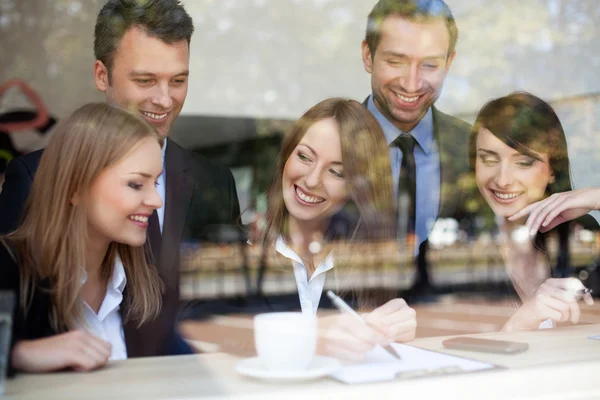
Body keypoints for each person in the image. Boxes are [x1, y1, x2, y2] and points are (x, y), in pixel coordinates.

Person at [0, 0, 241, 357]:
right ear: (102, 75)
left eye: (178, 80)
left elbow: (224, 306)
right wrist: (17, 356)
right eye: (145, 80)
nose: (164, 99)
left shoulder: (215, 181)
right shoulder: (32, 180)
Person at [0, 103, 168, 374]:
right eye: (136, 184)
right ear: (75, 187)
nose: (156, 200)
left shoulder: (143, 280)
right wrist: (17, 353)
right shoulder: (10, 268)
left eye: (155, 183)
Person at [255, 98, 416, 362]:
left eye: (337, 172)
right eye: (304, 157)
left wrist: (397, 330)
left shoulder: (375, 265)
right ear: (286, 155)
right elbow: (209, 340)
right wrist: (313, 338)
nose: (312, 180)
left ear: (359, 190)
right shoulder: (237, 251)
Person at [361, 0, 472, 296]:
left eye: (430, 64)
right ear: (368, 56)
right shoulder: (322, 143)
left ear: (448, 64)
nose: (412, 84)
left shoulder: (475, 148)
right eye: (395, 61)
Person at [469, 91, 595, 331]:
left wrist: (596, 197)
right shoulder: (467, 251)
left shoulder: (584, 239)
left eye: (523, 162)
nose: (503, 180)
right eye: (489, 160)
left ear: (552, 170)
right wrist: (524, 320)